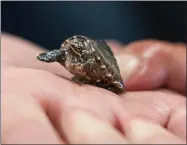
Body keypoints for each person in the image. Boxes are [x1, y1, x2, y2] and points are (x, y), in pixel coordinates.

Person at [1, 33, 186, 144]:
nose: (70, 51)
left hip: (107, 68)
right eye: (71, 49)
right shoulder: (65, 53)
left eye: (75, 49)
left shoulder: (88, 58)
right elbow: (55, 55)